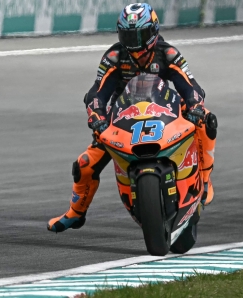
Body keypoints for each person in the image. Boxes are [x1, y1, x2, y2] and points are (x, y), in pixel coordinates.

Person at [48, 3, 218, 233]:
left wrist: (196, 106)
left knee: (206, 119)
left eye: (141, 34)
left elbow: (191, 87)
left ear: (154, 31)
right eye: (128, 34)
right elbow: (97, 93)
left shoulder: (168, 53)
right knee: (84, 165)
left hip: (164, 115)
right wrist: (96, 117)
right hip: (123, 120)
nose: (135, 42)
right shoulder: (114, 56)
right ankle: (76, 213)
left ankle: (205, 180)